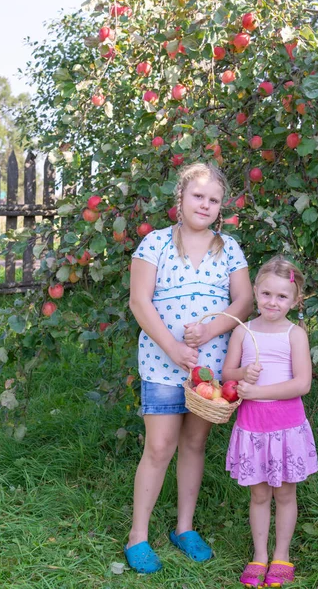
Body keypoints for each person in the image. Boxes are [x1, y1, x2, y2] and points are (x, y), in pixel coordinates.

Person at [125, 162, 253, 573]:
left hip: (210, 366)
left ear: (221, 208)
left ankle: (184, 527)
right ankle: (138, 536)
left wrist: (212, 330)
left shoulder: (228, 247)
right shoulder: (155, 244)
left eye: (214, 200)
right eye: (198, 196)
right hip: (162, 362)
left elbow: (243, 302)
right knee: (160, 446)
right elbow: (139, 302)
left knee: (194, 444)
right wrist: (174, 348)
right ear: (179, 199)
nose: (206, 204)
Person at [223, 256, 318, 588]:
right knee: (260, 496)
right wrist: (241, 375)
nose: (273, 303)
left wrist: (259, 390)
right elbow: (227, 374)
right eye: (266, 294)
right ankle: (260, 555)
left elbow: (301, 384)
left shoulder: (295, 335)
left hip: (286, 427)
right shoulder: (243, 331)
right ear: (256, 292)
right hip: (253, 428)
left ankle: (281, 554)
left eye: (281, 296)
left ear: (295, 300)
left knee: (286, 494)